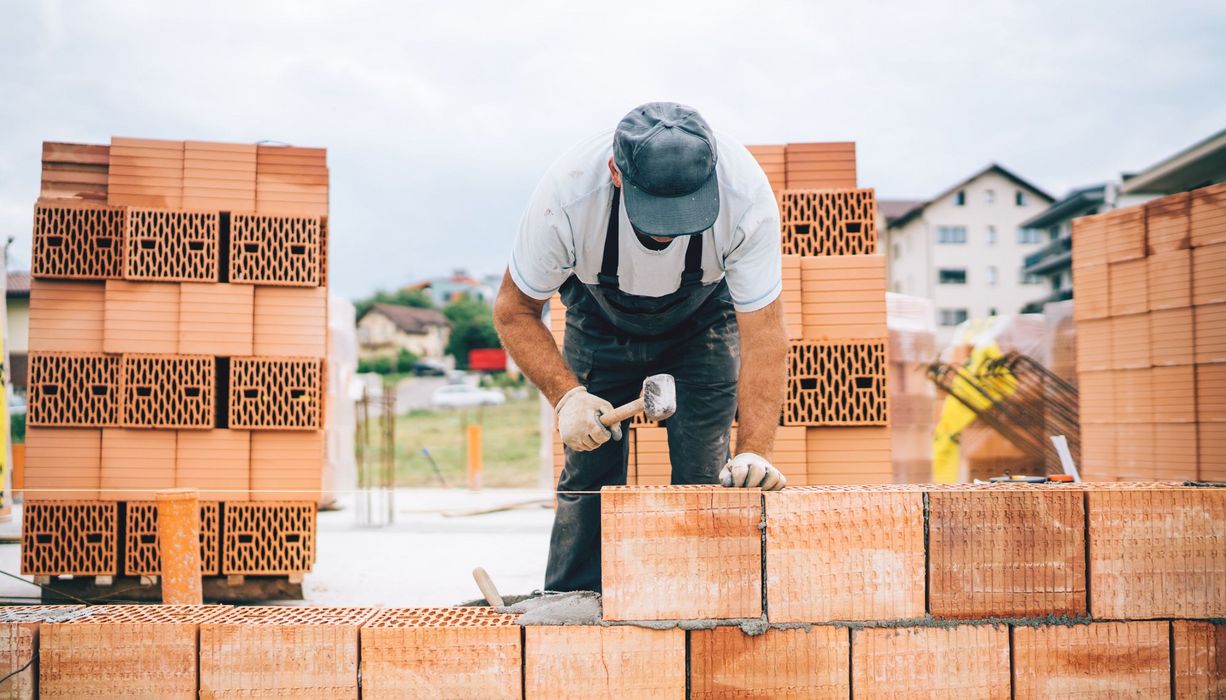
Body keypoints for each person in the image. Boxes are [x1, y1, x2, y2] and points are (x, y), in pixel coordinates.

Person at [493, 102, 788, 592]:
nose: (670, 229)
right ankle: (572, 607)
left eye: (685, 214)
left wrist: (755, 452)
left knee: (706, 478)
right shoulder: (565, 196)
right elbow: (513, 310)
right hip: (599, 319)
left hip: (702, 324)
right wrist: (568, 396)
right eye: (656, 214)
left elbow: (765, 336)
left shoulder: (746, 197)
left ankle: (704, 609)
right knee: (590, 473)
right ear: (615, 173)